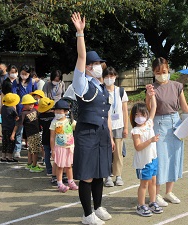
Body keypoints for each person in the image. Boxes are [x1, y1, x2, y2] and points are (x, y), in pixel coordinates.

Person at [71, 12, 114, 225]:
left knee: (100, 173)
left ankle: (97, 207)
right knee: (87, 175)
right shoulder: (82, 83)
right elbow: (80, 57)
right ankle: (87, 215)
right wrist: (80, 33)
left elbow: (106, 113)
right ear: (88, 67)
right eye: (95, 63)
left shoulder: (101, 85)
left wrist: (111, 136)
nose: (99, 66)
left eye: (99, 63)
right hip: (87, 132)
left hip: (102, 133)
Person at [145, 57, 188, 207]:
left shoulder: (177, 86)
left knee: (174, 157)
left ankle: (169, 192)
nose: (161, 74)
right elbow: (149, 108)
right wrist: (148, 95)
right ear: (153, 72)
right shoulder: (152, 88)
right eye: (158, 72)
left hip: (176, 123)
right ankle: (157, 193)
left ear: (169, 69)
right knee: (160, 159)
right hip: (159, 124)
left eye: (164, 71)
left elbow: (185, 108)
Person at [130, 92, 162, 216]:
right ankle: (141, 205)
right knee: (144, 184)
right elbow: (138, 147)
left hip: (153, 159)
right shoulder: (136, 130)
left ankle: (152, 202)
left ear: (146, 115)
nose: (139, 117)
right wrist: (150, 140)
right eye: (136, 114)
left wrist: (151, 94)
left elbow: (153, 107)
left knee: (153, 182)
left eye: (141, 114)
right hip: (143, 162)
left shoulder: (149, 123)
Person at [103, 67, 129, 187]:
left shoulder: (121, 91)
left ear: (115, 77)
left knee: (118, 152)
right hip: (104, 126)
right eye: (107, 77)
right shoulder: (101, 91)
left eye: (111, 76)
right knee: (106, 151)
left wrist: (126, 128)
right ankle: (107, 175)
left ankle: (118, 175)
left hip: (118, 126)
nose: (109, 79)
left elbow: (125, 111)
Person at [49, 99, 78, 192]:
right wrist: (53, 150)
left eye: (59, 110)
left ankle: (71, 181)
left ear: (66, 111)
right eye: (56, 110)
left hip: (69, 147)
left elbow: (78, 129)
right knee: (60, 166)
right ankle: (60, 183)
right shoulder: (54, 122)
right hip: (59, 148)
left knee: (69, 166)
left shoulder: (71, 121)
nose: (57, 112)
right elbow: (52, 137)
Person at [10, 94, 44, 173]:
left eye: (32, 103)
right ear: (24, 104)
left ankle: (29, 163)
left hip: (37, 132)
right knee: (34, 151)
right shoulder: (23, 114)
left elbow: (40, 118)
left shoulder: (35, 110)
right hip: (31, 134)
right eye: (29, 104)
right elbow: (17, 125)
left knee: (31, 149)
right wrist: (13, 134)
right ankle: (34, 166)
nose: (32, 105)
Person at [12, 64, 37, 158]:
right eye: (22, 73)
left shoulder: (33, 82)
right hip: (20, 109)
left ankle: (32, 150)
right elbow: (14, 96)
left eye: (25, 73)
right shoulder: (16, 81)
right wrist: (15, 111)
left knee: (31, 131)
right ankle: (17, 150)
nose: (23, 75)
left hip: (30, 110)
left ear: (29, 73)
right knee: (19, 130)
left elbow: (35, 95)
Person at [38, 97, 57, 182]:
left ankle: (49, 170)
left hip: (45, 137)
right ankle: (56, 171)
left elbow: (39, 126)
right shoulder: (53, 116)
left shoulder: (40, 116)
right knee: (56, 155)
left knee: (47, 155)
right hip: (54, 138)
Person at [0, 93, 20, 163]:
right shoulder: (11, 109)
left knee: (5, 142)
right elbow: (17, 117)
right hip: (10, 128)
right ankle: (10, 157)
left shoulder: (3, 108)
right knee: (11, 143)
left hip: (4, 127)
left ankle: (3, 157)